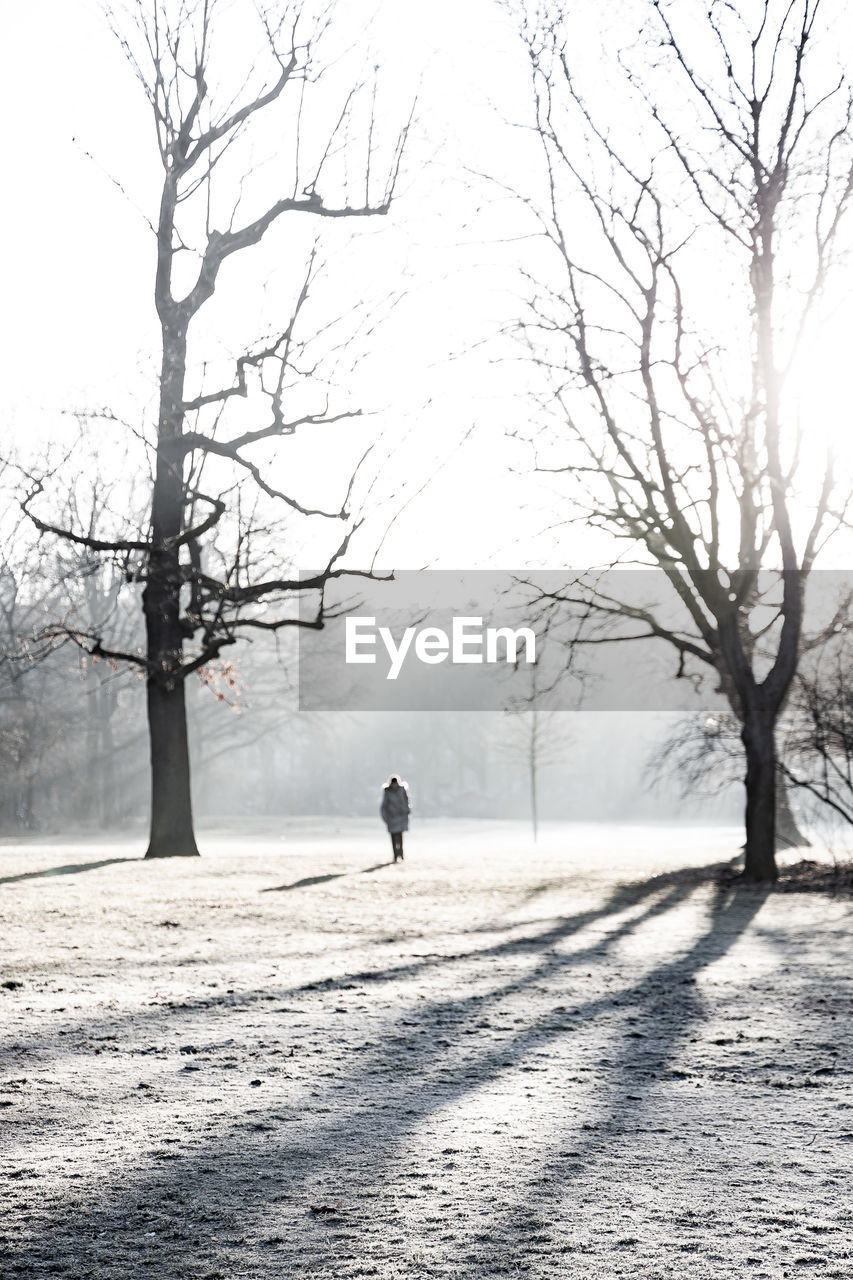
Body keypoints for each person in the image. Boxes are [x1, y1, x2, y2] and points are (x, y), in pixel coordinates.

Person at [380, 775, 410, 863]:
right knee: (393, 837)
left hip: (400, 817)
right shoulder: (387, 791)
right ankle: (395, 855)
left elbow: (406, 801)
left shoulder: (402, 790)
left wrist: (406, 811)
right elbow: (384, 805)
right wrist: (386, 818)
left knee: (400, 837)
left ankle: (401, 853)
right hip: (391, 818)